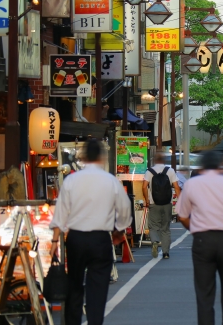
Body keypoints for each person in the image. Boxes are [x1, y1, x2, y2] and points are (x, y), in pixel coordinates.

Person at [49, 139, 132, 325]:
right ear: (101, 158)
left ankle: (73, 322)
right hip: (100, 239)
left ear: (84, 157)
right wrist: (119, 230)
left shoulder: (71, 180)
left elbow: (60, 215)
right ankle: (95, 321)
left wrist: (55, 242)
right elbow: (125, 209)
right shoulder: (111, 181)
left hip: (76, 238)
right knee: (98, 287)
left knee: (75, 284)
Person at [176, 151, 223, 325]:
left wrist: (195, 229)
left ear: (202, 166)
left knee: (204, 294)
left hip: (203, 241)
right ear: (221, 166)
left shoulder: (191, 184)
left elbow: (182, 216)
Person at [143, 153, 181, 259]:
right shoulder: (170, 171)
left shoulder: (149, 171)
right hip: (167, 203)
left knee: (153, 226)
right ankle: (166, 253)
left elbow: (144, 186)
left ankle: (155, 241)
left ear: (155, 160)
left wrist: (147, 200)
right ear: (164, 160)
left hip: (153, 203)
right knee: (165, 228)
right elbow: (177, 187)